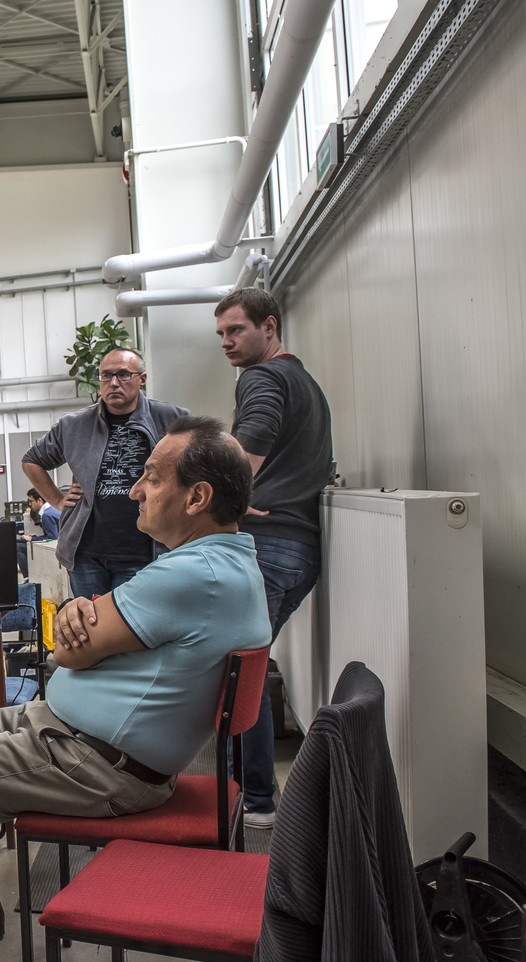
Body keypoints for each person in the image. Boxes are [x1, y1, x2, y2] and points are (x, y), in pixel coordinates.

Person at [0, 417, 270, 962]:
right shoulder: (227, 559)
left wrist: (80, 620)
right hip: (79, 737)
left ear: (197, 497)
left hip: (92, 763)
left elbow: (67, 653)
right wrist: (83, 612)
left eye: (152, 478)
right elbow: (91, 632)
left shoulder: (188, 574)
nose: (134, 490)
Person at [214, 286, 332, 829]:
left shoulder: (261, 378)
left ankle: (255, 800)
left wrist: (228, 497)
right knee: (248, 668)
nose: (226, 341)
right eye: (221, 333)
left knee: (239, 673)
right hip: (299, 548)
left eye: (236, 329)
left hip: (268, 547)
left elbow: (254, 435)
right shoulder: (305, 382)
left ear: (270, 325)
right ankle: (255, 795)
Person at [21, 348, 187, 598]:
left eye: (123, 374)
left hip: (145, 551)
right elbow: (32, 460)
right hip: (87, 555)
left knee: (131, 621)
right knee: (90, 620)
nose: (114, 383)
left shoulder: (171, 419)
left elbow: (197, 469)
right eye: (106, 376)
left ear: (142, 379)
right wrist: (57, 500)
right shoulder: (74, 425)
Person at [16, 488, 61, 579]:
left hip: (55, 547)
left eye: (31, 501)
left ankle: (28, 577)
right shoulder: (52, 510)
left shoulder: (47, 515)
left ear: (39, 500)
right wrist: (36, 537)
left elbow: (52, 538)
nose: (30, 504)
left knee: (18, 546)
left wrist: (32, 539)